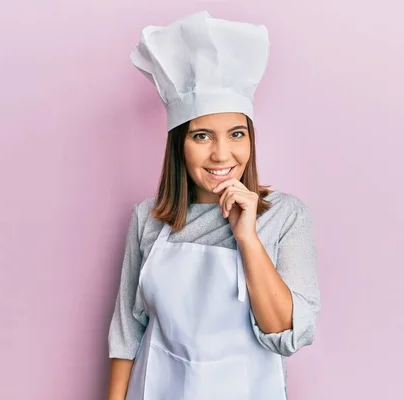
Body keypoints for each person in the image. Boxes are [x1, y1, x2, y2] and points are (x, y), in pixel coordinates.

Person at [106, 10, 321, 400]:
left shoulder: (286, 217)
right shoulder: (147, 218)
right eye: (202, 135)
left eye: (236, 134)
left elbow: (285, 336)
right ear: (179, 146)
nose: (222, 155)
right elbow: (126, 332)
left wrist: (248, 238)